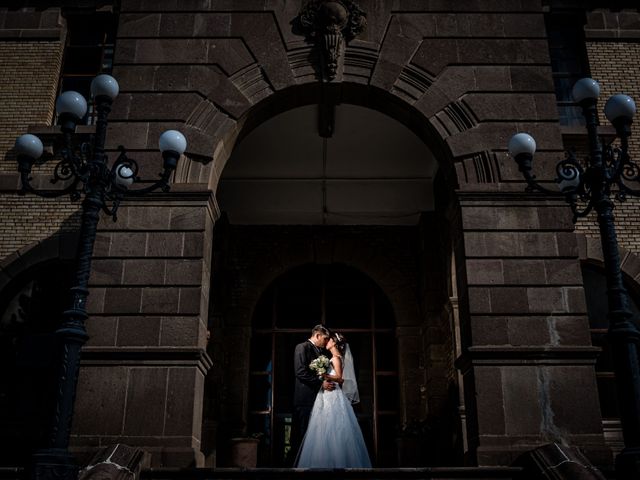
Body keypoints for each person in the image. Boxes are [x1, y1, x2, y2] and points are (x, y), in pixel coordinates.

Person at [295, 332, 372, 468]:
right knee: (324, 426)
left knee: (333, 425)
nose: (327, 343)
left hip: (333, 394)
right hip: (327, 394)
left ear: (334, 343)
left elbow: (340, 378)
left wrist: (324, 375)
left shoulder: (336, 358)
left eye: (329, 340)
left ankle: (335, 461)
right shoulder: (332, 358)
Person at [291, 324, 334, 465]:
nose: (326, 342)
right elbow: (300, 372)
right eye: (325, 338)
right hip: (304, 399)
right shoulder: (302, 347)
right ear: (317, 335)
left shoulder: (320, 352)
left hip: (317, 399)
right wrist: (320, 383)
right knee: (302, 435)